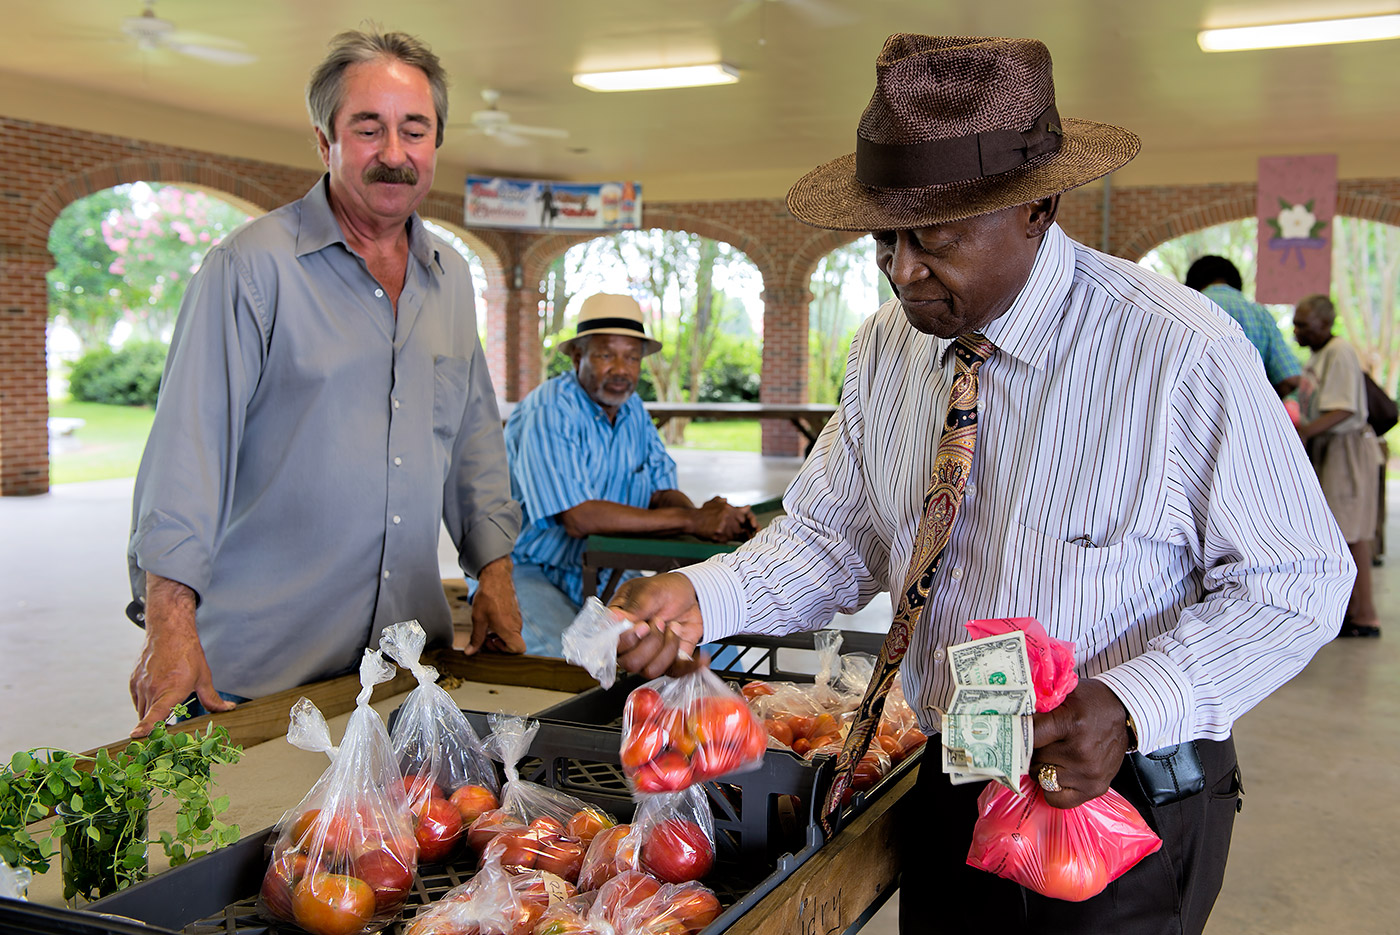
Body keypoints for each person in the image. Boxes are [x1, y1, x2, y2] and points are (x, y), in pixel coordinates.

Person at [609, 34, 1352, 935]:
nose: (901, 269)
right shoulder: (888, 348)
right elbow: (834, 537)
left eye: (934, 239)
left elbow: (1297, 579)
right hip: (956, 771)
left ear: (1038, 206)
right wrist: (700, 594)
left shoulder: (1179, 353)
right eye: (884, 238)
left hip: (1121, 801)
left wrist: (1130, 701)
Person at [125, 29, 525, 737]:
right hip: (258, 678)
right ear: (325, 141)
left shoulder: (452, 278)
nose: (394, 155)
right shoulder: (250, 270)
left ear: (437, 141)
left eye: (414, 130)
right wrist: (167, 621)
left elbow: (472, 439)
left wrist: (494, 573)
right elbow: (188, 455)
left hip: (407, 668)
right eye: (368, 129)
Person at [504, 293, 756, 656]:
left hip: (608, 572)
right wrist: (691, 520)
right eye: (607, 355)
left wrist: (706, 522)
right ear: (578, 356)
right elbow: (579, 517)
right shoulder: (548, 409)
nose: (622, 369)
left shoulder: (632, 409)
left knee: (698, 645)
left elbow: (662, 489)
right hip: (535, 571)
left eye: (632, 357)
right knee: (572, 666)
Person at [1294, 294, 1382, 638]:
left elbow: (1343, 409)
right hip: (1328, 446)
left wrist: (1303, 433)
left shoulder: (1340, 352)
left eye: (1304, 324)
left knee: (1349, 532)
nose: (1297, 330)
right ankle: (1349, 611)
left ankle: (1365, 616)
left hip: (1346, 448)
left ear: (1325, 324)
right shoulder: (1320, 355)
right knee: (1339, 530)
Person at [1185, 255, 1302, 397]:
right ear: (1235, 282)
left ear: (1192, 283)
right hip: (1251, 412)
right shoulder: (1260, 314)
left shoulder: (1186, 309)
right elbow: (1289, 380)